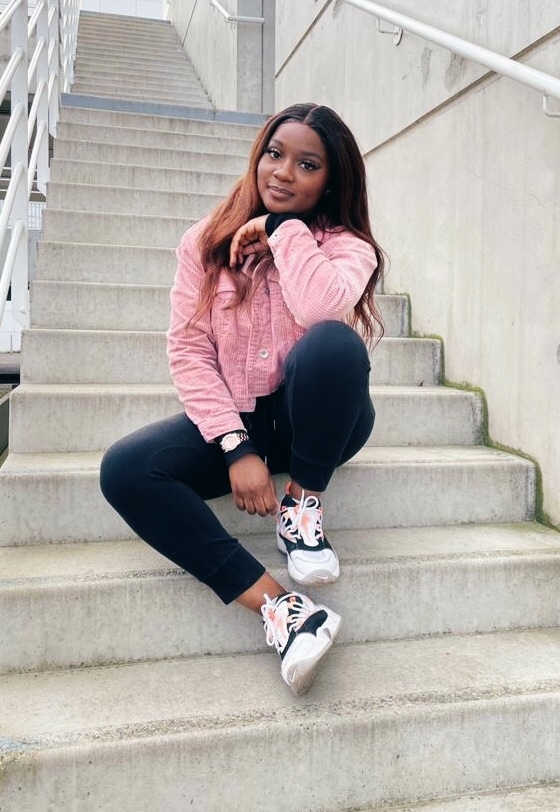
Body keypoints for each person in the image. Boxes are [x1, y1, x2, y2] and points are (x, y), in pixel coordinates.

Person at [100, 102, 385, 696]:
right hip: (240, 418)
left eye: (307, 164)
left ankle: (301, 507)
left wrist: (284, 232)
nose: (283, 172)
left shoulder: (346, 246)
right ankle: (286, 611)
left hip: (318, 424)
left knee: (334, 344)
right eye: (275, 154)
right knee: (125, 469)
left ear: (330, 181)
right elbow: (189, 351)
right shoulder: (204, 242)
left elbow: (321, 308)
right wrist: (235, 446)